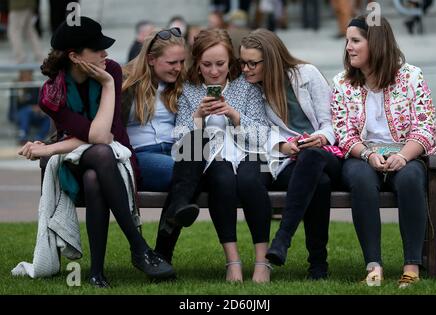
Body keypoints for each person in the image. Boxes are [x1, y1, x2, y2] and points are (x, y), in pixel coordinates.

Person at [18, 16, 175, 287]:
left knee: (95, 175)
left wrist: (48, 148)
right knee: (98, 157)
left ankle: (96, 273)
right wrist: (55, 150)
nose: (106, 53)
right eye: (97, 49)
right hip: (74, 163)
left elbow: (105, 136)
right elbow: (91, 138)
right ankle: (139, 248)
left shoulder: (110, 72)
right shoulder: (50, 94)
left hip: (116, 159)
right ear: (75, 56)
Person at [155, 28, 271, 283]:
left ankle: (263, 261)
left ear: (231, 63)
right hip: (211, 157)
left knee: (251, 181)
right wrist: (198, 117)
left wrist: (233, 115)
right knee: (223, 180)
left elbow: (263, 136)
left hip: (248, 152)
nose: (214, 71)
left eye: (220, 64)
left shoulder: (246, 87)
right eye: (207, 64)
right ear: (197, 64)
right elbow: (183, 144)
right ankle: (233, 261)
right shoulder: (190, 90)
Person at [331, 15, 436, 288]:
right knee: (362, 180)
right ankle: (373, 265)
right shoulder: (342, 83)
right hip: (363, 156)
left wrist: (403, 156)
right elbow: (343, 133)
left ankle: (411, 266)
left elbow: (425, 127)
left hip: (406, 153)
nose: (348, 48)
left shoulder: (411, 76)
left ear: (376, 43)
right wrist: (367, 155)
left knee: (412, 178)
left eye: (355, 41)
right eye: (347, 41)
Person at [239, 29, 342, 280]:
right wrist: (283, 145)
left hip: (327, 154)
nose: (246, 69)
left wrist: (320, 137)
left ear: (271, 59)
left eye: (252, 63)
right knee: (319, 182)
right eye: (242, 62)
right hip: (290, 160)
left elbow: (333, 122)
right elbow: (258, 130)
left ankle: (283, 238)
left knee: (314, 157)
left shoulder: (307, 75)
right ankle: (318, 266)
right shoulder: (252, 89)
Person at [122, 27, 186, 191]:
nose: (178, 68)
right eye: (172, 63)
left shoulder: (181, 86)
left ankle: (172, 216)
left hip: (175, 150)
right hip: (140, 154)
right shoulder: (125, 84)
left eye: (181, 62)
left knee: (206, 170)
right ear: (151, 59)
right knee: (182, 172)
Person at [9, 70, 50, 144]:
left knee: (48, 116)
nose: (27, 77)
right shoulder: (16, 86)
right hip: (18, 114)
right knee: (26, 111)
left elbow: (39, 102)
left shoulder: (34, 86)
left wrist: (39, 109)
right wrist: (22, 91)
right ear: (21, 75)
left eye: (29, 74)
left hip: (33, 113)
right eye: (25, 74)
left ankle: (39, 138)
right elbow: (16, 105)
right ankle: (23, 137)